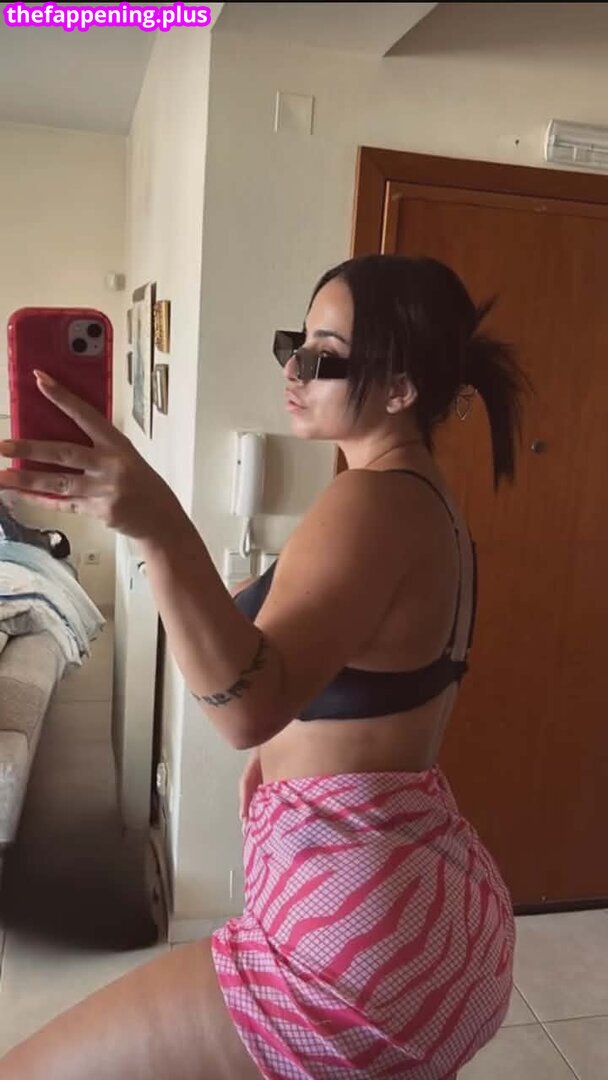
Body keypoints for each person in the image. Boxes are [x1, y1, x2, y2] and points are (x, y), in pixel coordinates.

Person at [0, 254, 528, 1080]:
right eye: (295, 344)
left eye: (324, 355)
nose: (294, 369)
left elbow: (247, 709)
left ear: (400, 388)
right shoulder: (425, 504)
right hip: (433, 899)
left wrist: (160, 522)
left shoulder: (372, 500)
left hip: (357, 931)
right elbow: (304, 668)